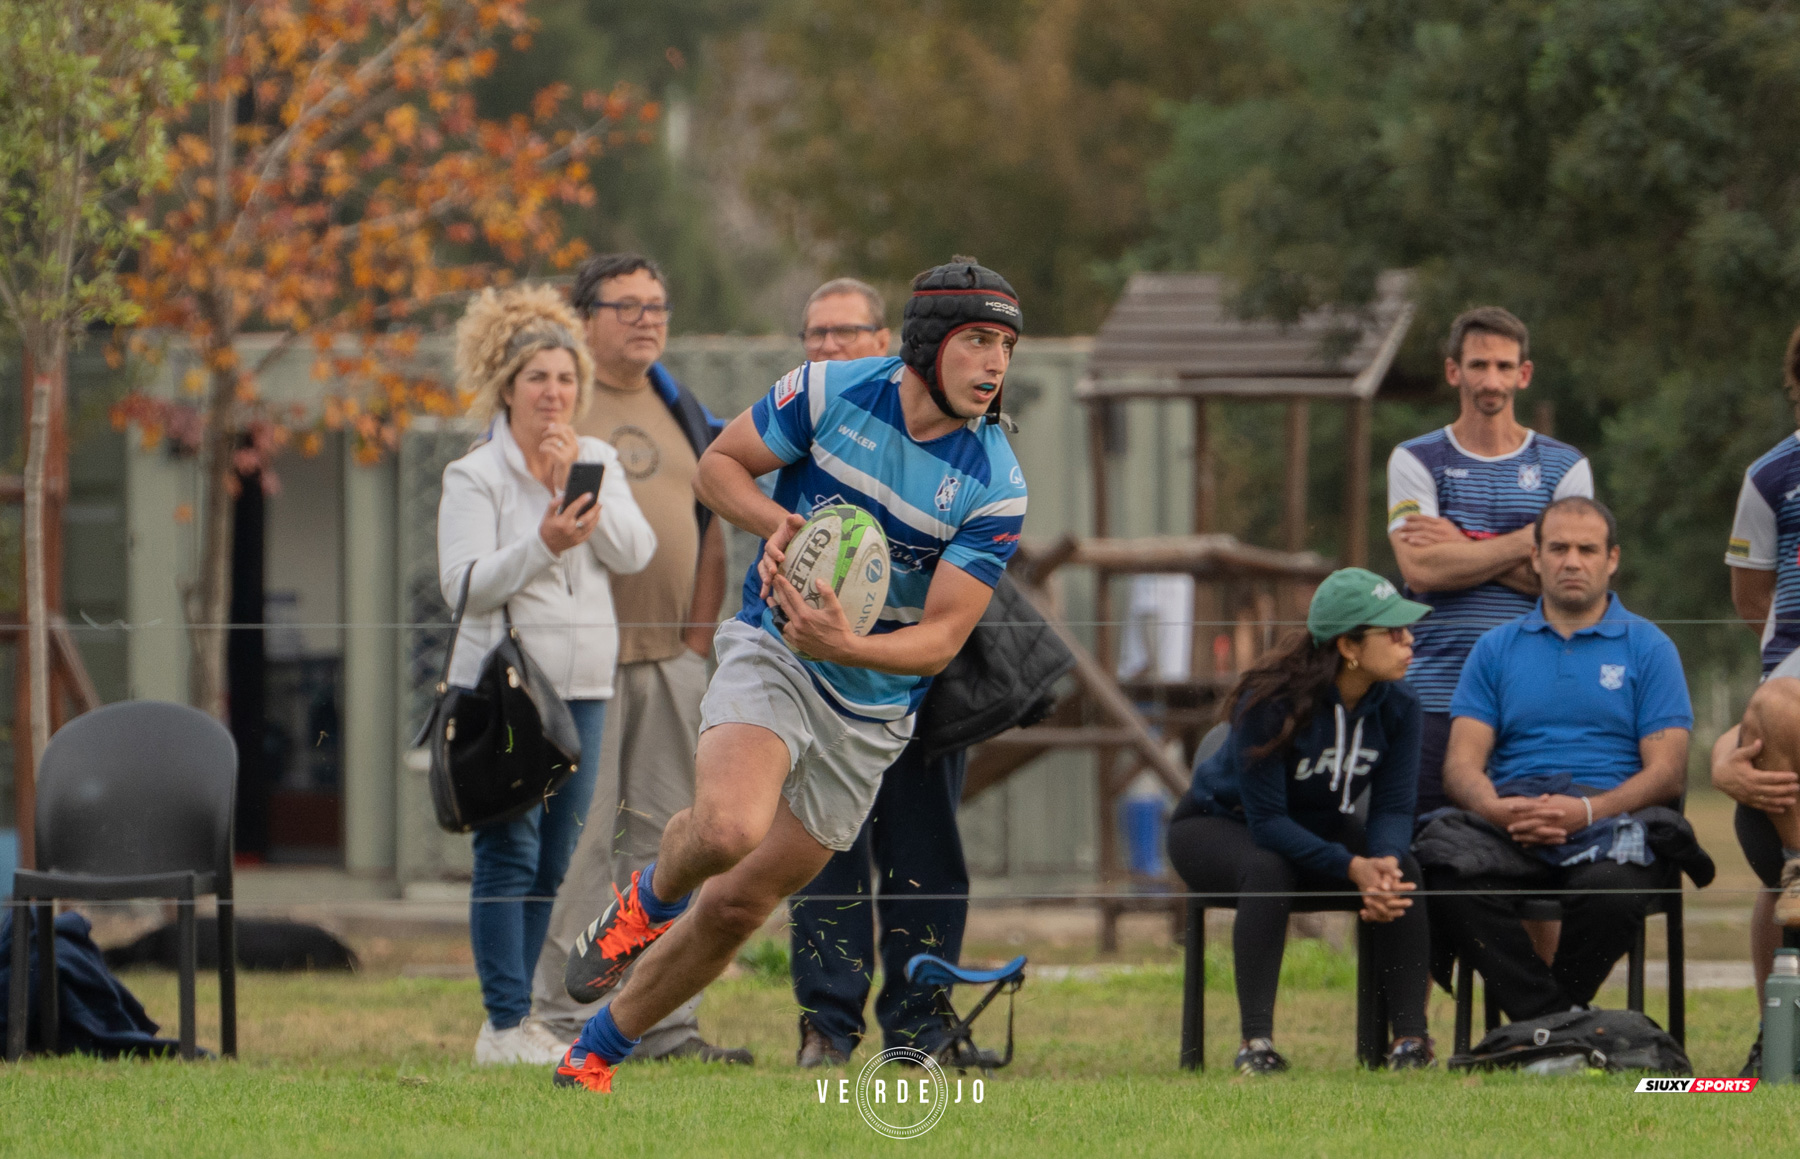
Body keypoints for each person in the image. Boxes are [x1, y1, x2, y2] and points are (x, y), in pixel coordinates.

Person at [551, 257, 1029, 1093]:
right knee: (728, 827)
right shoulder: (828, 390)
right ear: (928, 343)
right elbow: (717, 468)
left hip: (870, 714)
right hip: (773, 648)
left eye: (1006, 346)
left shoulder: (994, 483)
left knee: (738, 906)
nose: (995, 364)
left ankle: (594, 1051)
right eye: (978, 340)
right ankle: (646, 902)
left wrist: (849, 647)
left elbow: (941, 640)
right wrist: (778, 524)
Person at [523, 254, 750, 1065]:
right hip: (582, 667)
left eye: (658, 305)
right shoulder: (562, 397)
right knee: (586, 844)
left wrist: (697, 639)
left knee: (666, 845)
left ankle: (662, 1026)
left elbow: (711, 524)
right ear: (585, 318)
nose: (648, 319)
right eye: (627, 306)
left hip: (669, 662)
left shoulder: (678, 401)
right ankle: (554, 1018)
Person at [436, 285, 657, 1064]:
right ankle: (501, 1023)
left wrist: (574, 492)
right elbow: (462, 584)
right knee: (509, 849)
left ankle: (521, 1015)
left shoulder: (594, 459)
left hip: (587, 683)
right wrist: (543, 542)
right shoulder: (476, 476)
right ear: (506, 386)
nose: (554, 394)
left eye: (566, 380)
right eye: (538, 379)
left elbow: (634, 553)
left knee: (558, 855)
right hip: (506, 691)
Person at [781, 278, 994, 1069]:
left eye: (845, 332)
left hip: (918, 679)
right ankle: (827, 1027)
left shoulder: (974, 445)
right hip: (819, 685)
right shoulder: (817, 415)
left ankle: (921, 1028)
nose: (830, 347)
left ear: (886, 341)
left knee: (925, 850)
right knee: (825, 852)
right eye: (816, 335)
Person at [1425, 497, 1692, 1020]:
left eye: (1587, 549)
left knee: (1617, 889)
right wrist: (1498, 811)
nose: (1573, 561)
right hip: (1513, 818)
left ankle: (1538, 1026)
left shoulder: (1650, 647)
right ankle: (1553, 1025)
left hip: (1611, 821)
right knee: (1445, 874)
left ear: (1612, 558)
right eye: (1559, 548)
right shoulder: (1495, 648)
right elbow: (1460, 766)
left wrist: (1589, 812)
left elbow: (1667, 773)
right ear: (1536, 559)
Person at [1166, 568, 1435, 1074]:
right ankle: (1256, 1045)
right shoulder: (1270, 701)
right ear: (1349, 646)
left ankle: (1410, 1042)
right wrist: (1351, 867)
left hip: (1316, 824)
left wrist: (1382, 864)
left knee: (1406, 873)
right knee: (1269, 868)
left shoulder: (1400, 705)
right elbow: (1268, 822)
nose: (1408, 640)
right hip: (1217, 825)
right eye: (1392, 631)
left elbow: (1394, 807)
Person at [1387, 307, 1594, 817]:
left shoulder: (1567, 466)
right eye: (1478, 365)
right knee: (1427, 844)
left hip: (1534, 692)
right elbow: (1421, 571)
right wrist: (1527, 540)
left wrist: (1462, 542)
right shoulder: (1415, 460)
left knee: (1530, 839)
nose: (1491, 380)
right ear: (1453, 371)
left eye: (1504, 367)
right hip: (1434, 689)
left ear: (1524, 374)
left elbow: (1571, 583)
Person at [1709, 319, 1800, 1074]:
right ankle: (1779, 1042)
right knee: (1774, 711)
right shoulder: (1772, 475)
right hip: (1794, 680)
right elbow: (1751, 600)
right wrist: (1723, 756)